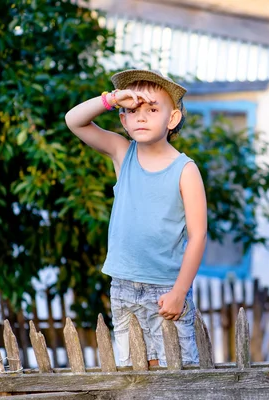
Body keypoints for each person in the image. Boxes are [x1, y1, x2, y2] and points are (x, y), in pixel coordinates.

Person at [65, 69, 207, 367]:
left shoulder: (185, 170)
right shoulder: (122, 152)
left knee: (176, 376)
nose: (141, 117)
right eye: (133, 110)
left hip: (166, 287)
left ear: (172, 119)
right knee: (134, 375)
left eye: (152, 109)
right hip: (124, 286)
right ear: (123, 119)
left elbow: (197, 236)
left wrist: (179, 292)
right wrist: (113, 98)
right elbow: (73, 120)